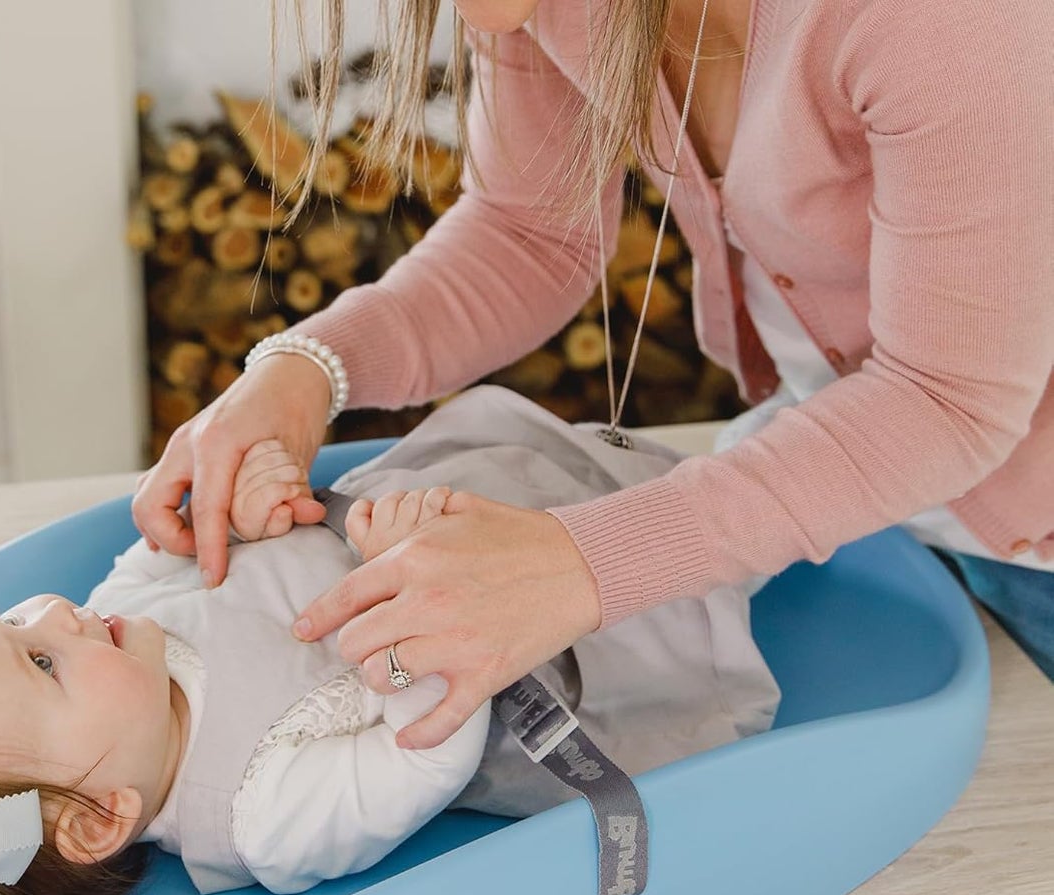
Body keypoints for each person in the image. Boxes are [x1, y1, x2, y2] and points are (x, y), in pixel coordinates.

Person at [132, 0, 1054, 728]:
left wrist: (583, 563)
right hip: (853, 488)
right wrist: (304, 369)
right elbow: (527, 233)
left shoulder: (942, 20)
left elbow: (945, 399)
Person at [0, 387, 779, 895]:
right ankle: (777, 498)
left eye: (11, 618)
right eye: (38, 658)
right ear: (99, 814)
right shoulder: (260, 806)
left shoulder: (121, 625)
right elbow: (424, 748)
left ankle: (751, 468)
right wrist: (401, 598)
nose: (51, 608)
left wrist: (260, 506)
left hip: (428, 510)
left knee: (617, 477)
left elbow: (185, 551)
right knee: (710, 558)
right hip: (531, 646)